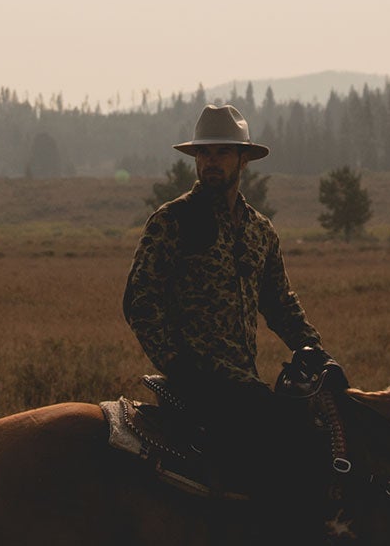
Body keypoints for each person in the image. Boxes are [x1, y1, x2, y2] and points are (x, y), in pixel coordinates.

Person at [123, 104, 336, 517]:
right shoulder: (172, 221)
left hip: (243, 379)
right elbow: (141, 300)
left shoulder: (260, 231)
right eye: (203, 153)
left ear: (243, 159)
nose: (211, 161)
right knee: (284, 454)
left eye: (222, 152)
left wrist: (314, 351)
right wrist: (176, 363)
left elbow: (279, 302)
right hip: (198, 375)